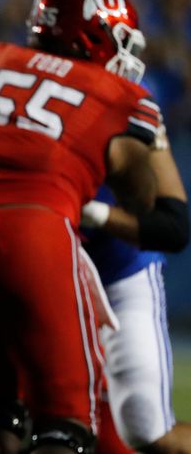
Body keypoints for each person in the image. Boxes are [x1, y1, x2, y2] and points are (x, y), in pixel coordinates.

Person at [0, 0, 161, 453]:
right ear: (92, 35)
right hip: (45, 245)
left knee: (1, 410)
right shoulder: (119, 95)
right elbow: (165, 215)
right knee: (64, 420)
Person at [80, 124, 191, 453]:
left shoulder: (125, 97)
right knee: (18, 412)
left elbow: (169, 226)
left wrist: (94, 212)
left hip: (119, 273)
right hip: (45, 275)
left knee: (144, 427)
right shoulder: (7, 88)